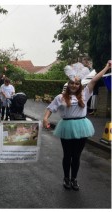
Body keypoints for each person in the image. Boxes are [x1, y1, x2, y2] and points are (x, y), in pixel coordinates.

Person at [43, 60, 111, 191]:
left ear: (79, 85)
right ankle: (66, 178)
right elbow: (50, 108)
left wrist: (106, 67)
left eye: (76, 83)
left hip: (81, 126)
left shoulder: (85, 93)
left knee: (77, 156)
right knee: (67, 155)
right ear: (68, 85)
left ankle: (74, 178)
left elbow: (95, 80)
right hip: (67, 127)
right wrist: (45, 118)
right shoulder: (60, 97)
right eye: (72, 83)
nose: (74, 85)